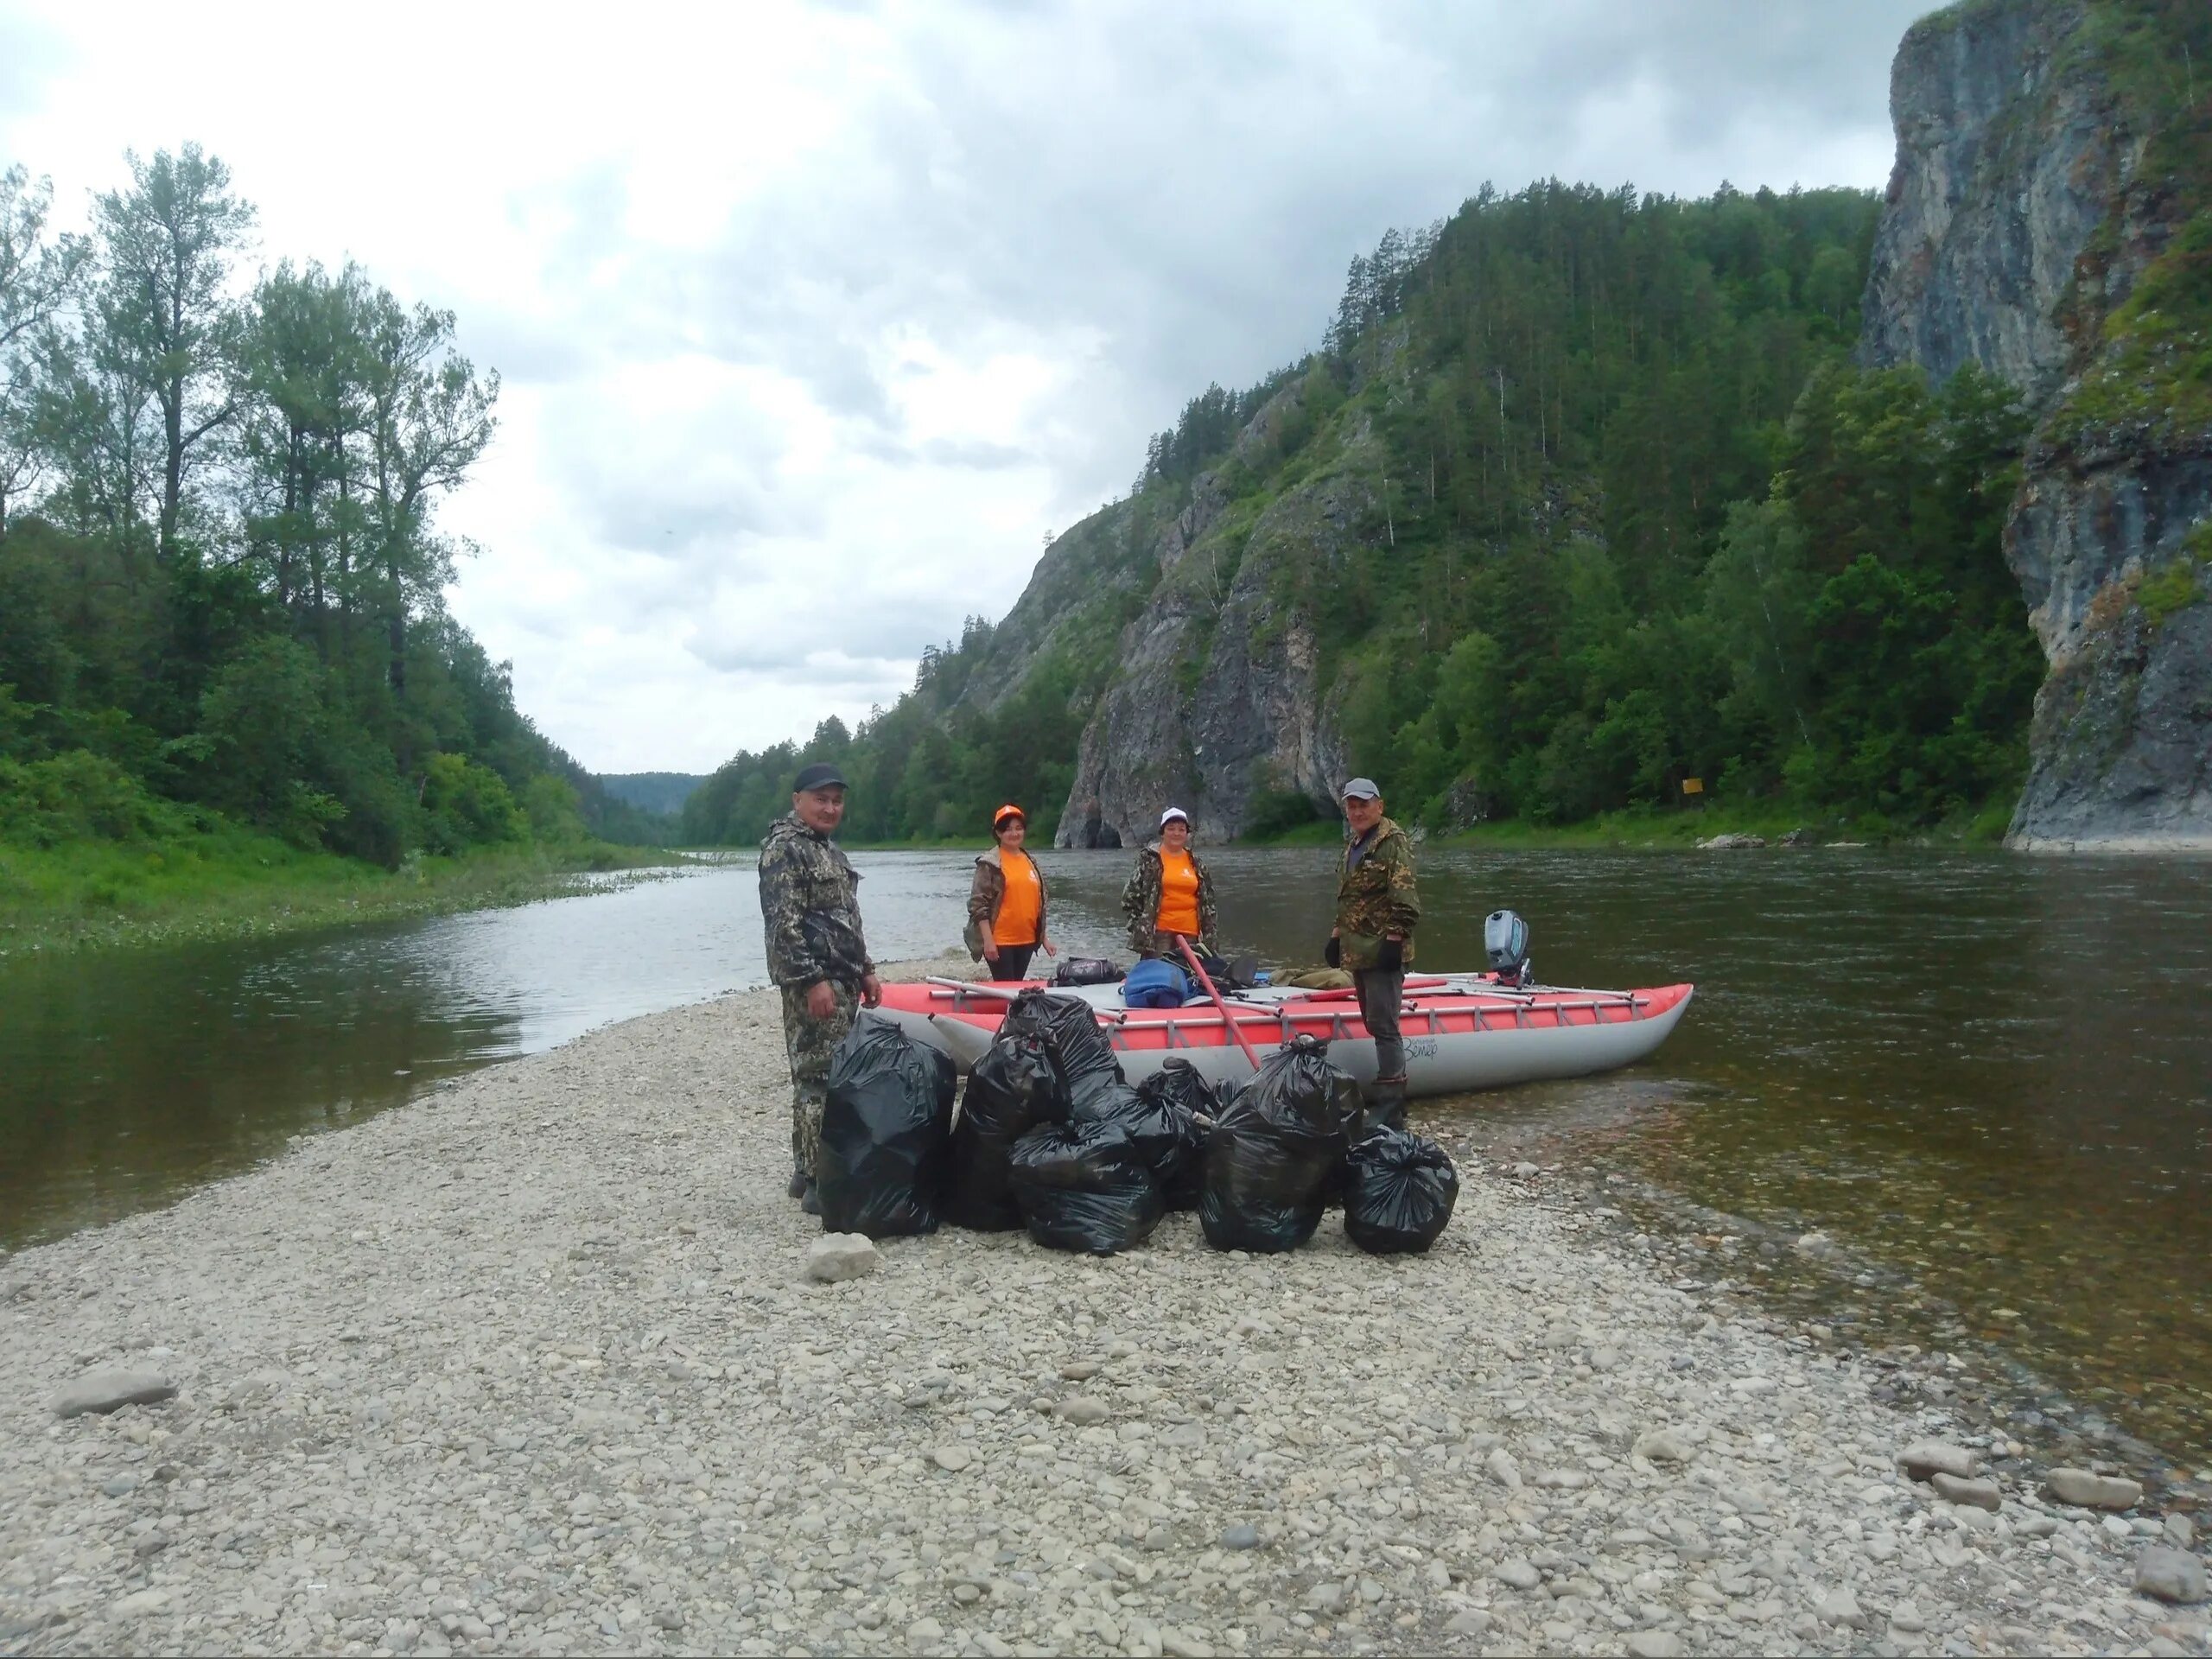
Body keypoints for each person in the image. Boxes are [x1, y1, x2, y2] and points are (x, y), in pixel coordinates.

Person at [759, 761, 881, 1214]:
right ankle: (818, 1183)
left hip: (844, 979)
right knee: (818, 1080)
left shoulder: (829, 850)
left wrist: (866, 968)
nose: (831, 808)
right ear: (797, 801)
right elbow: (783, 926)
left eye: (836, 800)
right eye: (821, 799)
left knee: (826, 1075)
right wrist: (812, 981)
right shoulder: (784, 850)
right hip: (815, 983)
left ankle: (803, 1171)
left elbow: (847, 917)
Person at [1325, 777, 1419, 1132]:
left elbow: (1406, 898)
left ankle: (1392, 1105)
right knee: (1373, 1022)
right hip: (1358, 950)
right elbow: (1348, 899)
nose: (1358, 811)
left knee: (1385, 1026)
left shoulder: (1392, 842)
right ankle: (1389, 1099)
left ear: (1379, 806)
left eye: (1364, 804)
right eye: (1352, 805)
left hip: (1382, 948)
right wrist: (1336, 938)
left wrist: (1394, 939)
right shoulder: (1353, 845)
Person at [966, 804, 1057, 982]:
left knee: (1017, 985)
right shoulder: (989, 864)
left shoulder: (1030, 861)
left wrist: (1043, 938)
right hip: (1001, 941)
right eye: (1007, 829)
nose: (1014, 834)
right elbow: (978, 905)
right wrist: (988, 941)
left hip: (1027, 941)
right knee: (1007, 987)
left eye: (1018, 828)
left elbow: (1037, 904)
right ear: (998, 833)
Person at [1122, 806, 1218, 962]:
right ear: (1162, 832)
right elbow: (1130, 897)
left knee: (1189, 980)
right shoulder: (1149, 860)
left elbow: (1209, 902)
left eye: (1181, 829)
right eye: (1171, 829)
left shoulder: (1196, 863)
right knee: (1157, 977)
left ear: (1187, 834)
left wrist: (1209, 935)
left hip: (1192, 935)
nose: (1176, 833)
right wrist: (1140, 928)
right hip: (1159, 935)